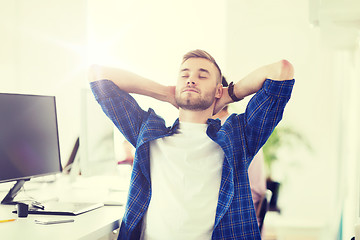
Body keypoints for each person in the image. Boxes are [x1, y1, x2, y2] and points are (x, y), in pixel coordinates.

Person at [89, 49, 295, 240]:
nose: (191, 80)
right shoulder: (148, 132)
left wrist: (230, 94)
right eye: (184, 75)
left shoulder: (238, 137)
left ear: (217, 90)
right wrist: (164, 92)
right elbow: (97, 75)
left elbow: (282, 71)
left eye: (202, 75)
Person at [212, 77, 266, 226]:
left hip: (236, 221)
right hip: (250, 218)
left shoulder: (226, 131)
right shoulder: (235, 125)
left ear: (219, 93)